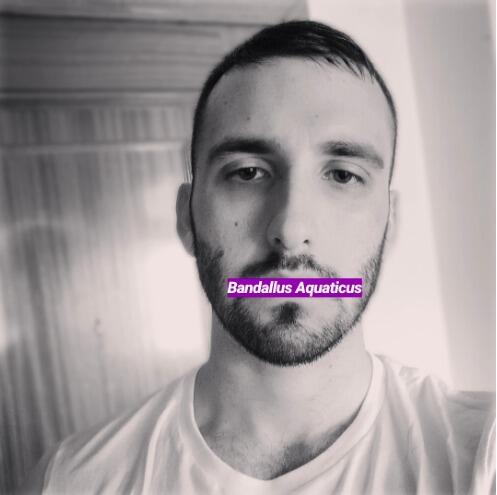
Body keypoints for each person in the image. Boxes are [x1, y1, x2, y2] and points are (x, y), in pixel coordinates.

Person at [20, 20, 495, 494]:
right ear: (187, 217)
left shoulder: (477, 457)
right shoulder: (71, 480)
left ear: (389, 224)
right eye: (247, 172)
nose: (291, 230)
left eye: (342, 175)